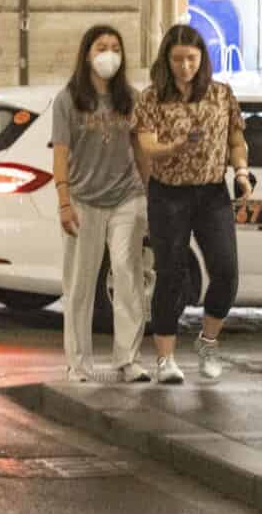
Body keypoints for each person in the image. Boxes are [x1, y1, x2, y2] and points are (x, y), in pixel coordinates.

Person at [132, 23, 251, 384]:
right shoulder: (152, 98)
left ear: (203, 59)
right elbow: (147, 145)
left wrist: (242, 172)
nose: (185, 66)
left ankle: (207, 342)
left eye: (192, 59)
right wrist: (175, 147)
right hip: (168, 193)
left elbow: (236, 140)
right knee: (171, 274)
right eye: (178, 59)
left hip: (212, 192)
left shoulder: (220, 94)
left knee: (226, 272)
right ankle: (165, 359)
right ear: (166, 60)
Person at [51, 24, 150, 384]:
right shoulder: (68, 100)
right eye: (101, 47)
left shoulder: (132, 98)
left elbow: (141, 150)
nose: (109, 54)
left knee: (127, 273)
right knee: (80, 282)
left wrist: (147, 195)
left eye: (115, 48)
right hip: (82, 199)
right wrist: (64, 200)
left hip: (127, 195)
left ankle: (128, 358)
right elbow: (60, 154)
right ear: (87, 54)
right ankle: (79, 362)